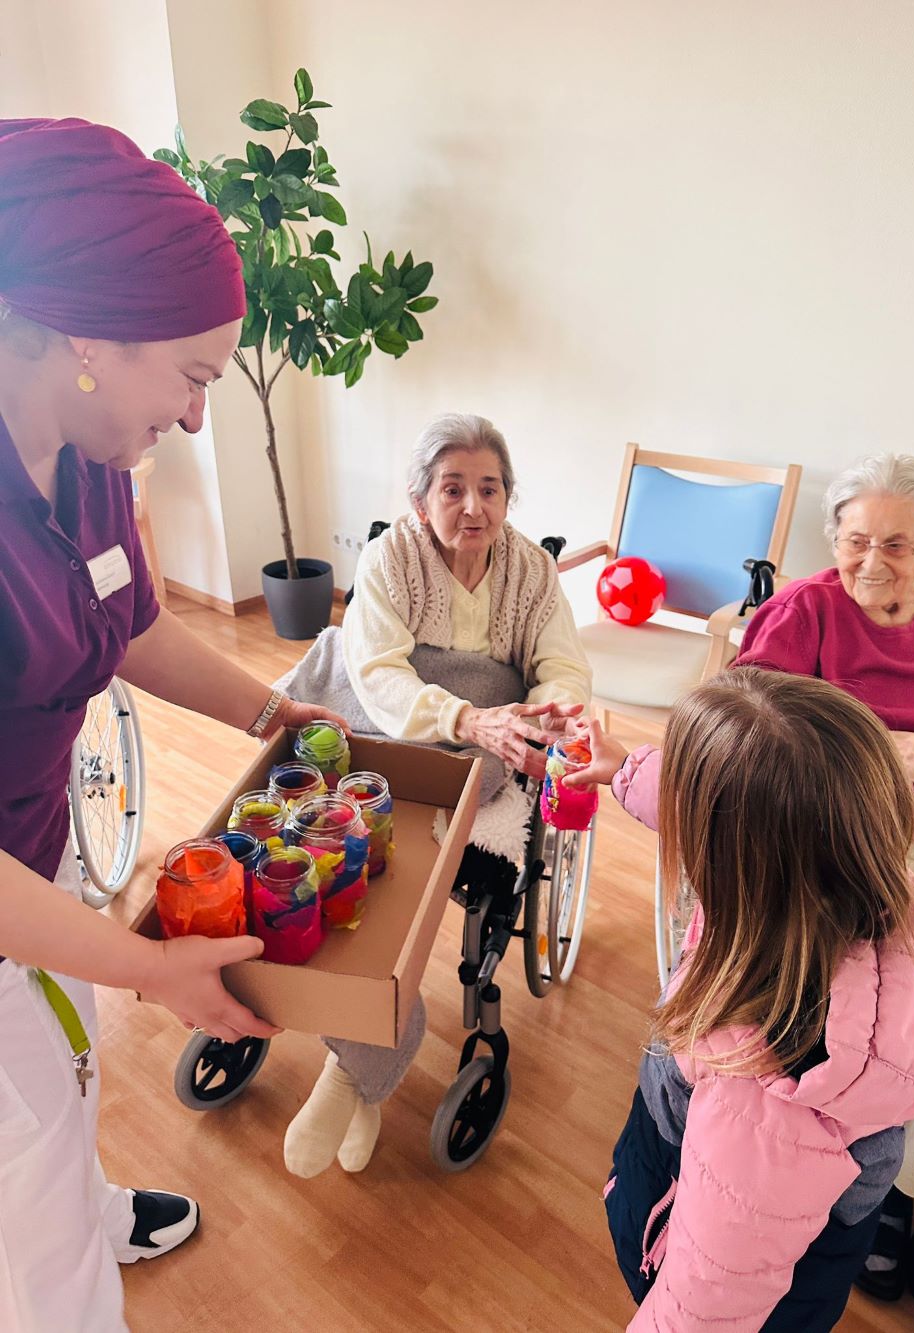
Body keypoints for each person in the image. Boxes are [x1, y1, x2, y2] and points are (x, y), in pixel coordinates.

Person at [0, 117, 346, 1332]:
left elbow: (127, 622)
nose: (200, 417)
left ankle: (80, 1211)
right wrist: (154, 966)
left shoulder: (87, 451)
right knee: (23, 1153)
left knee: (62, 1054)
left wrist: (266, 705)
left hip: (33, 849)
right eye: (193, 375)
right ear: (86, 332)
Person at [576, 670, 914, 1331]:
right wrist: (625, 770)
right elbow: (741, 806)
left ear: (729, 857)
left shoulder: (766, 1088)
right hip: (800, 1243)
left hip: (710, 1240)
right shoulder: (862, 882)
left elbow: (708, 1297)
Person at [723, 454, 914, 1330]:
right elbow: (742, 716)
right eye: (852, 543)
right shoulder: (804, 610)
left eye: (894, 544)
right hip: (873, 845)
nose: (871, 564)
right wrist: (880, 741)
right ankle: (888, 1189)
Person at [281, 412, 592, 1179]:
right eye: (453, 489)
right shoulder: (392, 559)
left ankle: (353, 1071)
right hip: (391, 709)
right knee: (337, 790)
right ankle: (363, 1059)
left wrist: (543, 707)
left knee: (484, 748)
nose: (473, 507)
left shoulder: (531, 572)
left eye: (489, 489)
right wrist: (461, 715)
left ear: (509, 498)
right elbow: (379, 672)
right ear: (421, 500)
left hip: (474, 732)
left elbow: (561, 665)